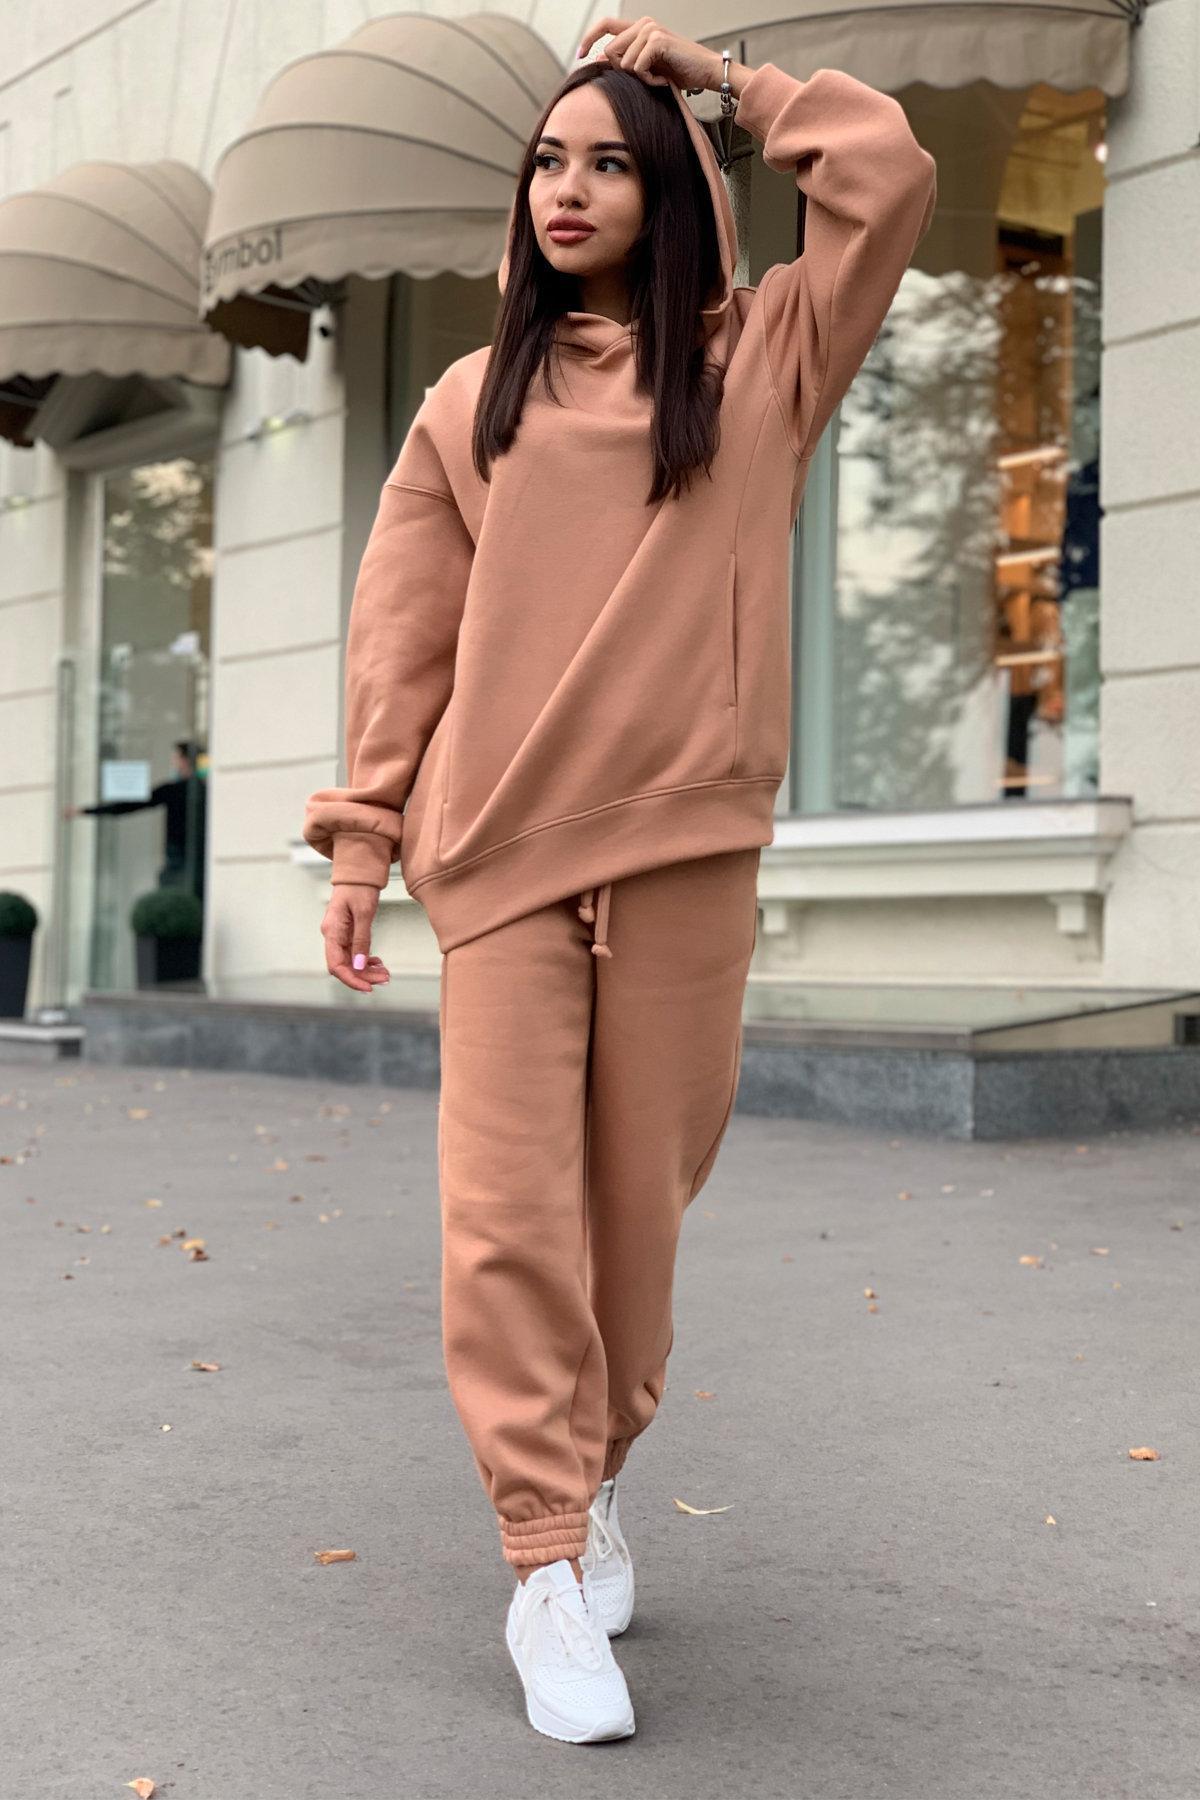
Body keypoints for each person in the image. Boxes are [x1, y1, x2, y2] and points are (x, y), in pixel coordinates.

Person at [303, 14, 936, 1745]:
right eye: (544, 161)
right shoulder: (470, 402)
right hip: (502, 861)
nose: (565, 189)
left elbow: (884, 173)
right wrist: (364, 837)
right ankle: (539, 1556)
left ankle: (591, 1482)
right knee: (508, 1217)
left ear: (670, 189)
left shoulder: (767, 361)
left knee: (636, 1228)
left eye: (604, 161)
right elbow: (404, 635)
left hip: (683, 857)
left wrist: (722, 80)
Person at [65, 739, 207, 903]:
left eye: (176, 758)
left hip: (180, 856)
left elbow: (129, 805)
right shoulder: (203, 789)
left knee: (173, 897)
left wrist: (84, 811)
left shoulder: (176, 790)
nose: (173, 762)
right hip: (196, 856)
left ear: (184, 761)